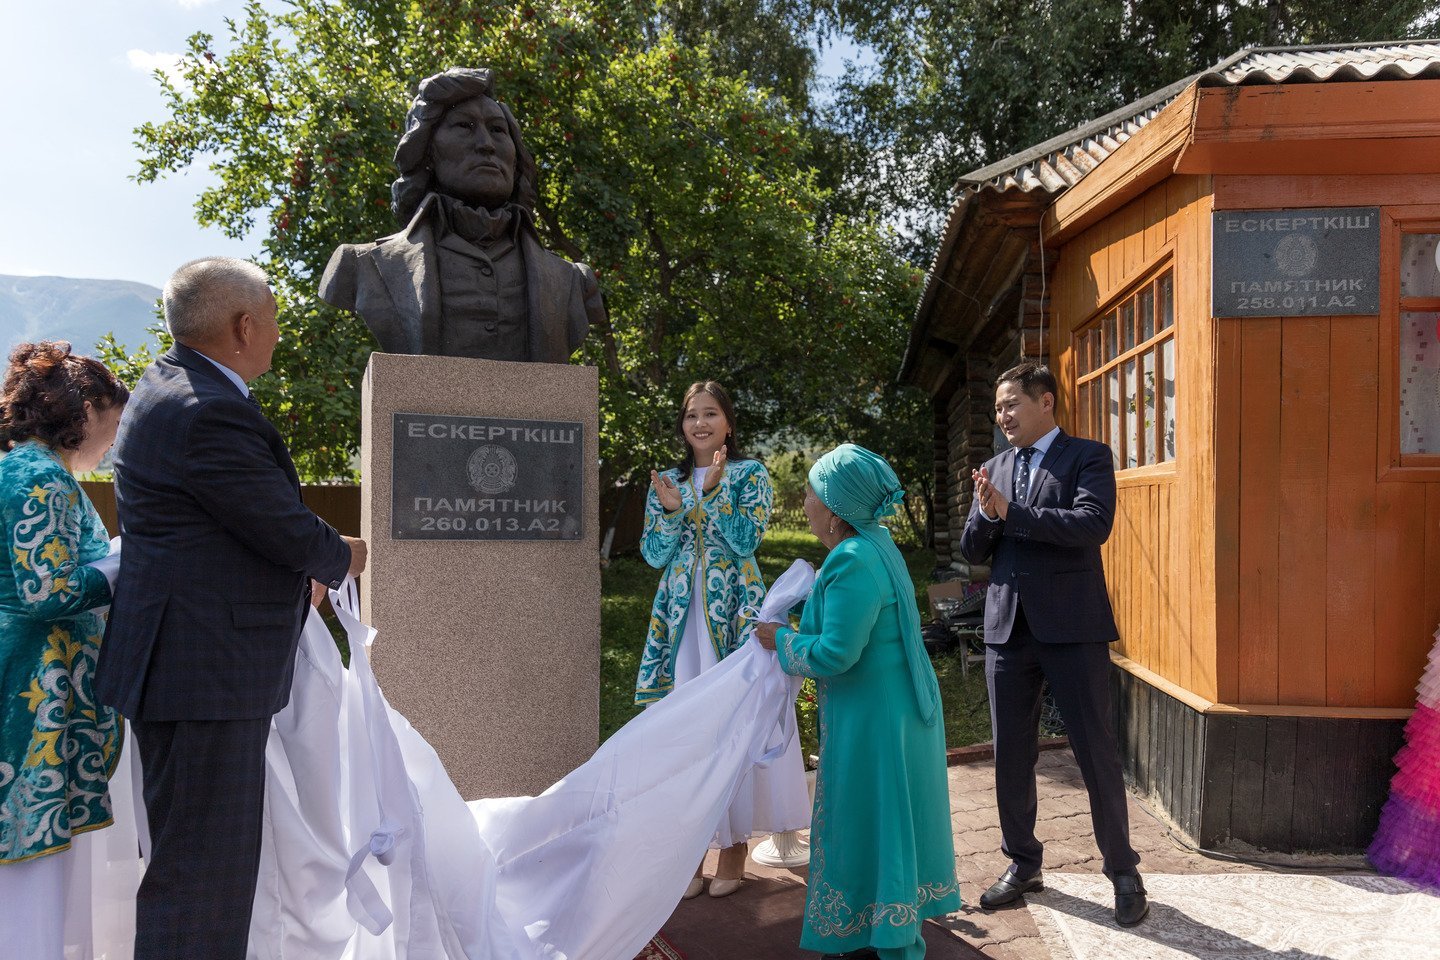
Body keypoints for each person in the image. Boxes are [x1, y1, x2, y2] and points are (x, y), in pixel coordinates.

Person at [93, 257, 367, 960]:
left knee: (195, 866)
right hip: (203, 673)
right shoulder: (208, 410)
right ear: (244, 325)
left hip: (189, 665)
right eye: (273, 319)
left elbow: (212, 528)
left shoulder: (165, 384)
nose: (278, 335)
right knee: (202, 877)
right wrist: (341, 556)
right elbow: (278, 524)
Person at [959, 360, 1147, 927]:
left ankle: (1123, 871)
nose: (1003, 416)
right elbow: (973, 548)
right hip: (1008, 630)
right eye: (998, 408)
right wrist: (990, 514)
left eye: (1012, 403)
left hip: (1073, 627)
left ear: (1046, 401)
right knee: (1010, 756)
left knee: (1095, 749)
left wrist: (1011, 513)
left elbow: (1092, 525)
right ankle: (1023, 864)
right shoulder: (993, 467)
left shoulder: (1087, 456)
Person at [756, 443, 960, 960]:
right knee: (889, 821)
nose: (803, 502)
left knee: (872, 819)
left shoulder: (852, 559)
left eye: (810, 492)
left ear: (833, 505)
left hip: (875, 721)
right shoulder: (878, 544)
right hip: (895, 712)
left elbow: (833, 655)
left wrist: (779, 639)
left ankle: (887, 940)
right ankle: (888, 930)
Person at [320, 66, 605, 361]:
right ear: (427, 151)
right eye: (464, 127)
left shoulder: (571, 282)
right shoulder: (362, 266)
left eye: (497, 130)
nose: (486, 144)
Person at [0, 342, 128, 955]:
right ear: (87, 409)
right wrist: (127, 562)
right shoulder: (39, 475)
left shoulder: (21, 467)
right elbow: (47, 592)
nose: (115, 436)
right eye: (115, 418)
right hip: (32, 684)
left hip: (32, 673)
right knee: (30, 841)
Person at [636, 380, 783, 898]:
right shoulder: (667, 480)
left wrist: (717, 491)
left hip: (734, 616)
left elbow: (746, 542)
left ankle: (735, 849)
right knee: (688, 733)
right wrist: (674, 511)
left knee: (732, 726)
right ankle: (691, 851)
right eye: (690, 415)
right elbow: (654, 554)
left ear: (728, 422)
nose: (698, 423)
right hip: (679, 620)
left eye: (710, 413)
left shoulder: (750, 475)